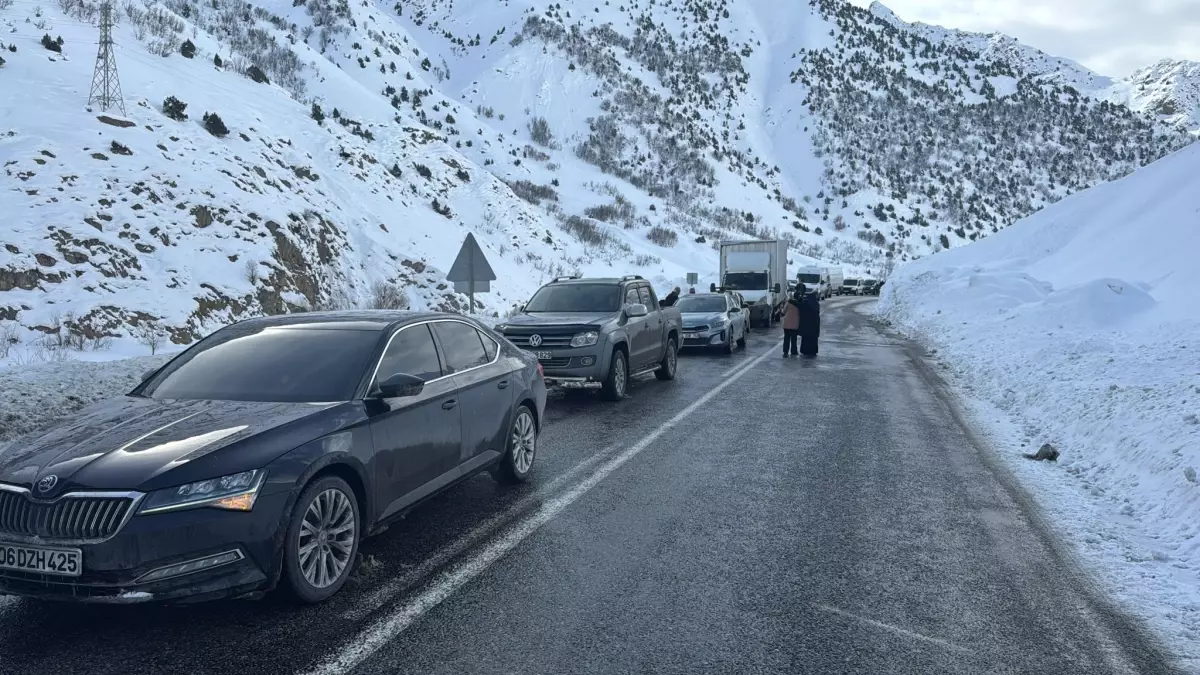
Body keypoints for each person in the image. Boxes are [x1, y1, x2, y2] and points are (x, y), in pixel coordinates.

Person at [781, 284, 805, 357]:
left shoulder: (788, 302)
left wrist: (781, 309)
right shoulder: (800, 304)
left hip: (787, 323)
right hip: (795, 324)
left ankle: (785, 351)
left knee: (786, 338)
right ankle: (794, 351)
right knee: (794, 339)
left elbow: (784, 311)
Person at [798, 286, 821, 357]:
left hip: (806, 324)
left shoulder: (805, 303)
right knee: (813, 339)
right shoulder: (816, 304)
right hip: (814, 325)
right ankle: (813, 350)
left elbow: (800, 310)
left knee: (805, 338)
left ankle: (805, 350)